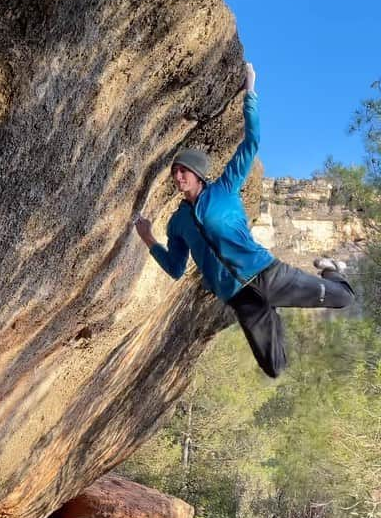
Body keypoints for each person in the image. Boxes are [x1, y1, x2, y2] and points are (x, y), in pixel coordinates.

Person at [134, 63, 354, 378]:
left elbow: (251, 143)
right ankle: (271, 313)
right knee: (274, 368)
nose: (178, 176)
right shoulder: (177, 223)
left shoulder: (225, 187)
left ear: (198, 174)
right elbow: (175, 269)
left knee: (344, 298)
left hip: (269, 275)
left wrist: (250, 90)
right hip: (241, 298)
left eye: (183, 171)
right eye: (175, 172)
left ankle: (331, 270)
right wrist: (148, 238)